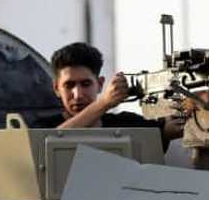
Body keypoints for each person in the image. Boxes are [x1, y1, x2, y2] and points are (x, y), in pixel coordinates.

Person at [38, 42, 184, 146]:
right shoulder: (40, 128)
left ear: (100, 84)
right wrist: (104, 103)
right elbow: (50, 142)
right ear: (57, 88)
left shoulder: (126, 124)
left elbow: (169, 128)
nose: (78, 95)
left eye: (86, 84)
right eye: (69, 85)